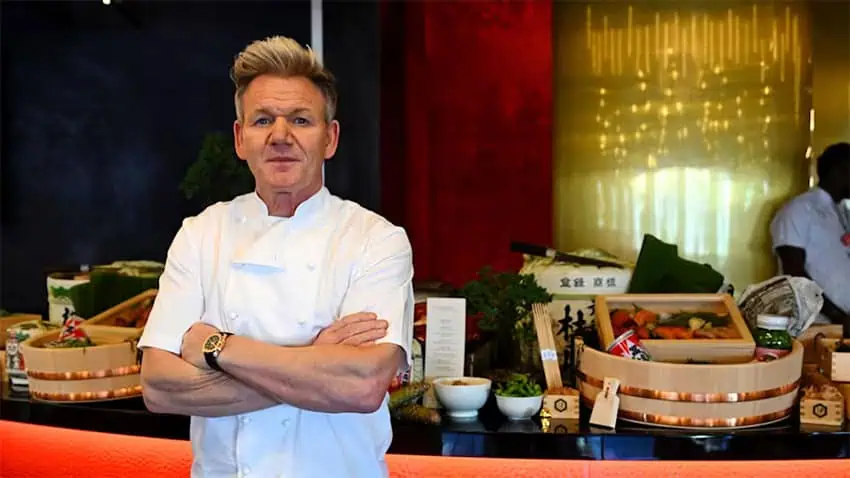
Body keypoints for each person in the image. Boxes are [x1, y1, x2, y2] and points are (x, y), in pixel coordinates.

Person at [138, 36, 413, 477]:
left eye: (301, 120)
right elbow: (159, 387)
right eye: (262, 120)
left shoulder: (375, 239)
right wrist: (315, 360)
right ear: (240, 138)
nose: (280, 136)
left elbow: (361, 386)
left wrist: (217, 346)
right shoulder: (200, 233)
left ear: (331, 137)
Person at [771, 142, 850, 337]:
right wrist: (837, 316)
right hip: (814, 326)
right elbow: (795, 273)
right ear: (841, 171)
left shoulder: (844, 211)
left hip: (842, 326)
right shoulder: (798, 210)